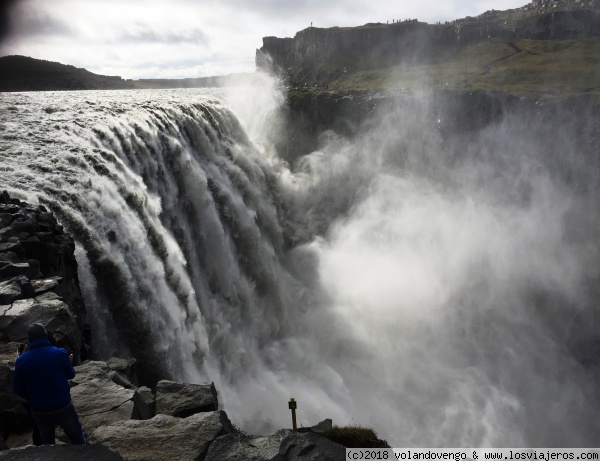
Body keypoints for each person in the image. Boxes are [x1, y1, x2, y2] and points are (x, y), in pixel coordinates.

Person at [13, 323, 86, 445]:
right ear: (45, 336)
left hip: (40, 410)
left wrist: (33, 399)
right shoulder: (60, 353)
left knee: (47, 445)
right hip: (63, 407)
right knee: (78, 439)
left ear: (29, 340)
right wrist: (68, 363)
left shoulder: (21, 361)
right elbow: (70, 375)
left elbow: (18, 388)